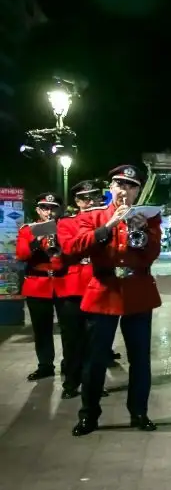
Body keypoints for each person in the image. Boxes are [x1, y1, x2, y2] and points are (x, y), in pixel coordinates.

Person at [65, 165, 162, 436]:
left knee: (140, 359)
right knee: (95, 359)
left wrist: (144, 232)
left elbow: (151, 255)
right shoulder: (93, 216)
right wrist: (109, 225)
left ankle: (139, 411)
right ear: (111, 188)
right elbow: (75, 248)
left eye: (131, 186)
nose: (124, 190)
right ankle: (89, 414)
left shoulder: (148, 217)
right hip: (104, 290)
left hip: (137, 291)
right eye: (119, 184)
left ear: (138, 191)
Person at [55, 181, 107, 398]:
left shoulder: (106, 219)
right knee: (73, 340)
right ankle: (71, 383)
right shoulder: (67, 223)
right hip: (74, 288)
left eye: (94, 196)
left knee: (97, 341)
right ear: (76, 201)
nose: (89, 201)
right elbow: (68, 248)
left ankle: (93, 384)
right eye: (84, 198)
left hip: (100, 284)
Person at [17, 192, 70, 383]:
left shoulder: (66, 228)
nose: (49, 211)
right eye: (44, 208)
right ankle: (45, 365)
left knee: (68, 328)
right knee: (41, 329)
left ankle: (69, 364)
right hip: (38, 285)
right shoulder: (27, 229)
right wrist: (37, 239)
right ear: (38, 209)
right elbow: (22, 255)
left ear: (60, 209)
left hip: (63, 282)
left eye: (53, 207)